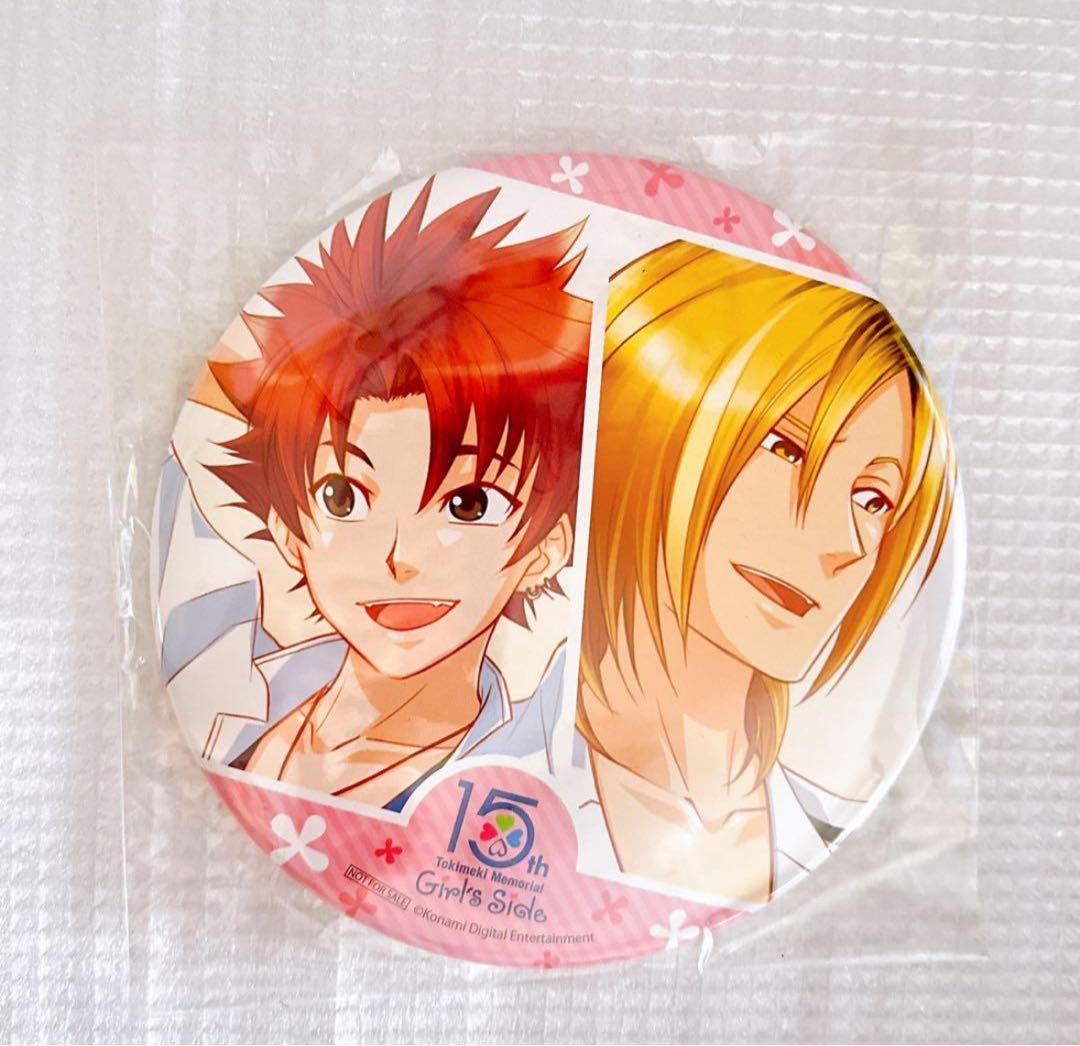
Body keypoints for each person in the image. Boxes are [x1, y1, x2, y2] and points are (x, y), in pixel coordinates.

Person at [155, 177, 591, 810]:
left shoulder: (527, 785)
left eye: (468, 504)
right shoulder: (224, 670)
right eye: (344, 498)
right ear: (286, 529)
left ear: (549, 547)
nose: (399, 556)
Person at [575, 241, 956, 904]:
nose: (842, 543)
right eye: (786, 448)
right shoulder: (477, 756)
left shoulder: (838, 843)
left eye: (873, 499)